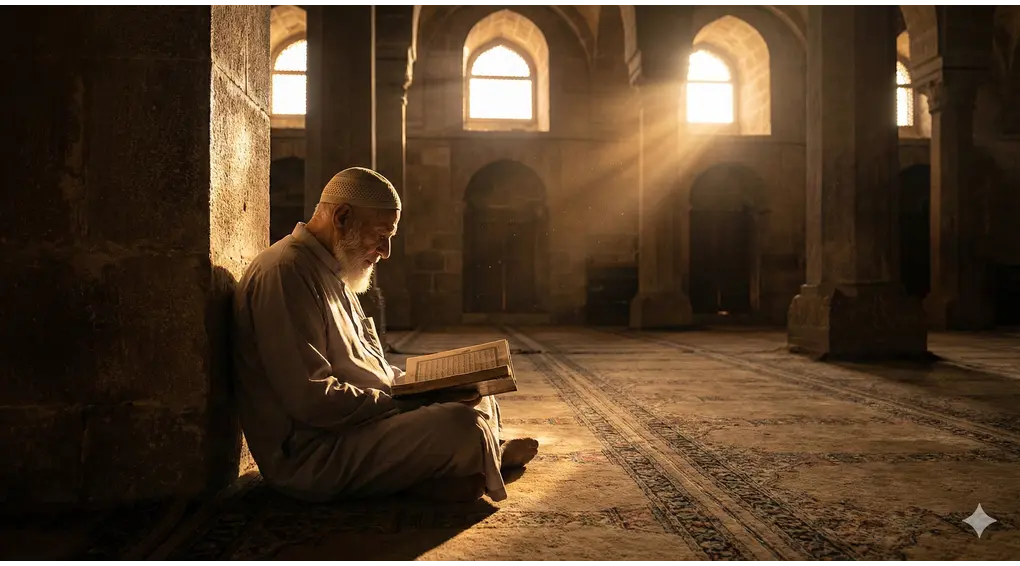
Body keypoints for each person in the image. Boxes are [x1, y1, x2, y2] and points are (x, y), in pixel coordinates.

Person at [232, 166, 538, 503]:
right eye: (381, 235)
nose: (386, 250)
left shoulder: (335, 271)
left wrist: (429, 386)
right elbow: (313, 402)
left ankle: (473, 464)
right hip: (316, 451)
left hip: (360, 424)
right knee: (460, 424)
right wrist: (409, 402)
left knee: (478, 395)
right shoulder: (286, 273)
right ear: (343, 217)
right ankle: (480, 460)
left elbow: (367, 366)